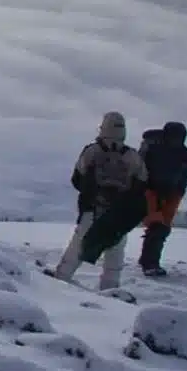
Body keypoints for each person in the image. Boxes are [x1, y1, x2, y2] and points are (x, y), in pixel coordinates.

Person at [52, 112, 148, 290]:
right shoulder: (132, 156)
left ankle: (61, 279)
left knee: (80, 243)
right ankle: (110, 287)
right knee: (115, 248)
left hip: (92, 208)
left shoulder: (92, 151)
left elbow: (77, 178)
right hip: (119, 212)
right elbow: (142, 182)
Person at [139, 121, 187, 277]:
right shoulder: (153, 147)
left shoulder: (184, 153)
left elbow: (184, 176)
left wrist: (178, 194)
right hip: (149, 191)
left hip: (171, 194)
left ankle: (149, 261)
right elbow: (140, 168)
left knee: (162, 228)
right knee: (156, 225)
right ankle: (149, 263)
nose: (177, 141)